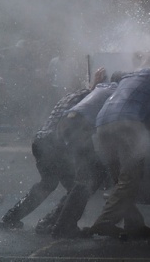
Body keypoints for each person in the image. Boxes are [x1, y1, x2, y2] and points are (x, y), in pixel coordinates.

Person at [84, 49, 150, 238]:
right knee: (129, 180)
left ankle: (134, 225)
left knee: (122, 181)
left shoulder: (128, 77)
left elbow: (111, 79)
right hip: (126, 124)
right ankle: (105, 222)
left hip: (102, 124)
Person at [0, 68, 106, 231]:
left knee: (47, 184)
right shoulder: (88, 97)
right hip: (54, 143)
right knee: (74, 189)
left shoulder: (72, 95)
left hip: (41, 140)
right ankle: (48, 222)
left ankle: (11, 217)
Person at [50, 70, 124, 238]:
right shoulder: (116, 93)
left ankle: (58, 221)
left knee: (92, 175)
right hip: (78, 128)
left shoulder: (103, 87)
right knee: (87, 178)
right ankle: (63, 225)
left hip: (69, 124)